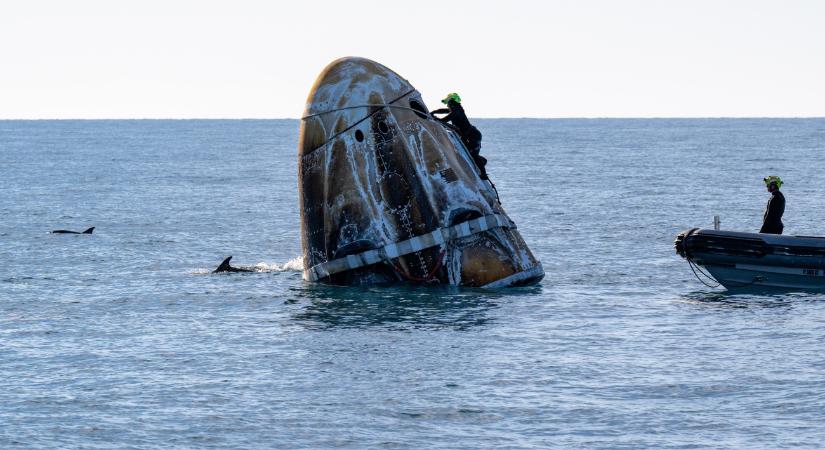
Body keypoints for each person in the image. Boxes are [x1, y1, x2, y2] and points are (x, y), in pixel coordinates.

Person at [431, 93, 488, 180]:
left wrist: (434, 118)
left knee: (474, 155)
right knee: (470, 154)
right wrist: (434, 112)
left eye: (448, 103)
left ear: (452, 103)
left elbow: (444, 120)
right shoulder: (455, 109)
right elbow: (443, 110)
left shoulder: (456, 112)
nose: (447, 105)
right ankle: (482, 161)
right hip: (468, 136)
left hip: (473, 136)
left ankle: (484, 174)